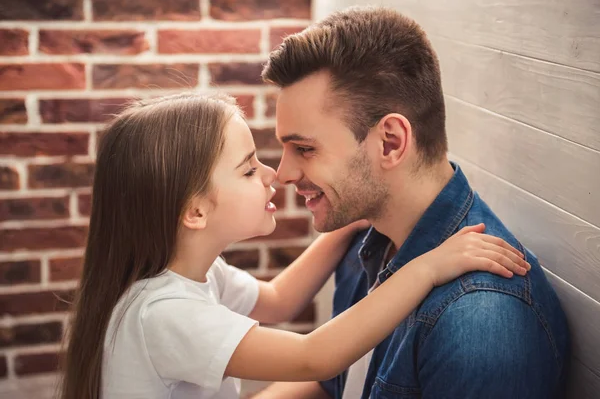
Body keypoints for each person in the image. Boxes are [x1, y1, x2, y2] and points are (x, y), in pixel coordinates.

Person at [58, 93, 529, 399]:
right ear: (195, 212)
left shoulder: (194, 275)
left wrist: (348, 220)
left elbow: (280, 299)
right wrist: (426, 267)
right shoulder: (163, 314)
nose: (274, 174)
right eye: (247, 169)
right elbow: (315, 357)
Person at [257, 6, 570, 399]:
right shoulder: (364, 236)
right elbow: (333, 381)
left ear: (390, 142)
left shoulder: (478, 323)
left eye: (304, 148)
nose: (283, 174)